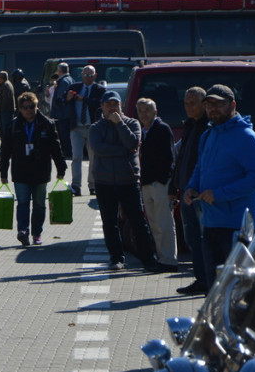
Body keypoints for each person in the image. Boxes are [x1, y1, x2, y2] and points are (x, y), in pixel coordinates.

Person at [184, 84, 255, 286]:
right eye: (209, 104)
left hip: (237, 227)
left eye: (218, 104)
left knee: (237, 291)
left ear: (232, 105)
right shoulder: (208, 134)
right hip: (210, 222)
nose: (213, 108)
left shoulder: (246, 137)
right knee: (214, 291)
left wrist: (219, 194)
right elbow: (200, 167)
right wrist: (191, 186)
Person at [88, 91, 163, 271]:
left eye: (116, 104)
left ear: (121, 106)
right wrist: (123, 151)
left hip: (128, 179)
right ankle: (116, 258)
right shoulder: (95, 128)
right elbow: (99, 149)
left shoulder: (131, 123)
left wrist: (119, 124)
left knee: (138, 220)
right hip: (104, 181)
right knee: (110, 221)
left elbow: (132, 143)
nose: (112, 108)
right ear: (102, 107)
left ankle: (148, 259)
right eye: (108, 105)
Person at [0, 92, 67, 247]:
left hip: (41, 171)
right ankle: (23, 231)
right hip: (21, 171)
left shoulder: (47, 124)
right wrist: (3, 172)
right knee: (23, 202)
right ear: (20, 109)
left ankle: (37, 233)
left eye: (32, 106)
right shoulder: (14, 125)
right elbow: (5, 151)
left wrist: (61, 168)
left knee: (39, 204)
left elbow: (56, 148)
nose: (29, 110)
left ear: (37, 106)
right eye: (25, 107)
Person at [170, 87, 211, 295]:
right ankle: (201, 279)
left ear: (204, 104)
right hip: (185, 191)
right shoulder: (190, 126)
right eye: (186, 103)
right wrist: (173, 187)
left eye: (193, 103)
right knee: (192, 238)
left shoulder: (208, 128)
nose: (188, 107)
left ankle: (209, 280)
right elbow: (180, 159)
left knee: (205, 238)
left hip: (200, 194)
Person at [136, 98, 177, 269]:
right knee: (154, 223)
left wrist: (165, 181)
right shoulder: (142, 131)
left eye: (147, 110)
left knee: (165, 223)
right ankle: (161, 258)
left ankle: (169, 260)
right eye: (141, 111)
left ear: (155, 111)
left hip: (160, 183)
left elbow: (170, 157)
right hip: (146, 183)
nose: (144, 114)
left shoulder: (162, 128)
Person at [65, 65, 105, 196]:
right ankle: (76, 185)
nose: (87, 78)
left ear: (95, 76)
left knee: (93, 158)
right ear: (81, 75)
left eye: (90, 75)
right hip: (76, 128)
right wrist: (67, 98)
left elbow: (99, 104)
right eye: (85, 75)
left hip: (92, 128)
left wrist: (84, 99)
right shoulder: (74, 88)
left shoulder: (99, 89)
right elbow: (59, 103)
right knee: (76, 157)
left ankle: (93, 185)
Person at [50, 62, 75, 158]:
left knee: (64, 134)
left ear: (59, 71)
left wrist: (58, 102)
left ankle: (67, 152)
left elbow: (60, 98)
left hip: (63, 113)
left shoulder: (63, 81)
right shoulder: (71, 79)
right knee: (66, 133)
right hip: (68, 113)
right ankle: (67, 150)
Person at [0, 71, 15, 137]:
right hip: (3, 111)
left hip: (5, 111)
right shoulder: (2, 85)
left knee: (5, 129)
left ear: (1, 78)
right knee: (1, 128)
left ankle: (6, 144)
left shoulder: (6, 85)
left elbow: (5, 100)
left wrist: (0, 110)